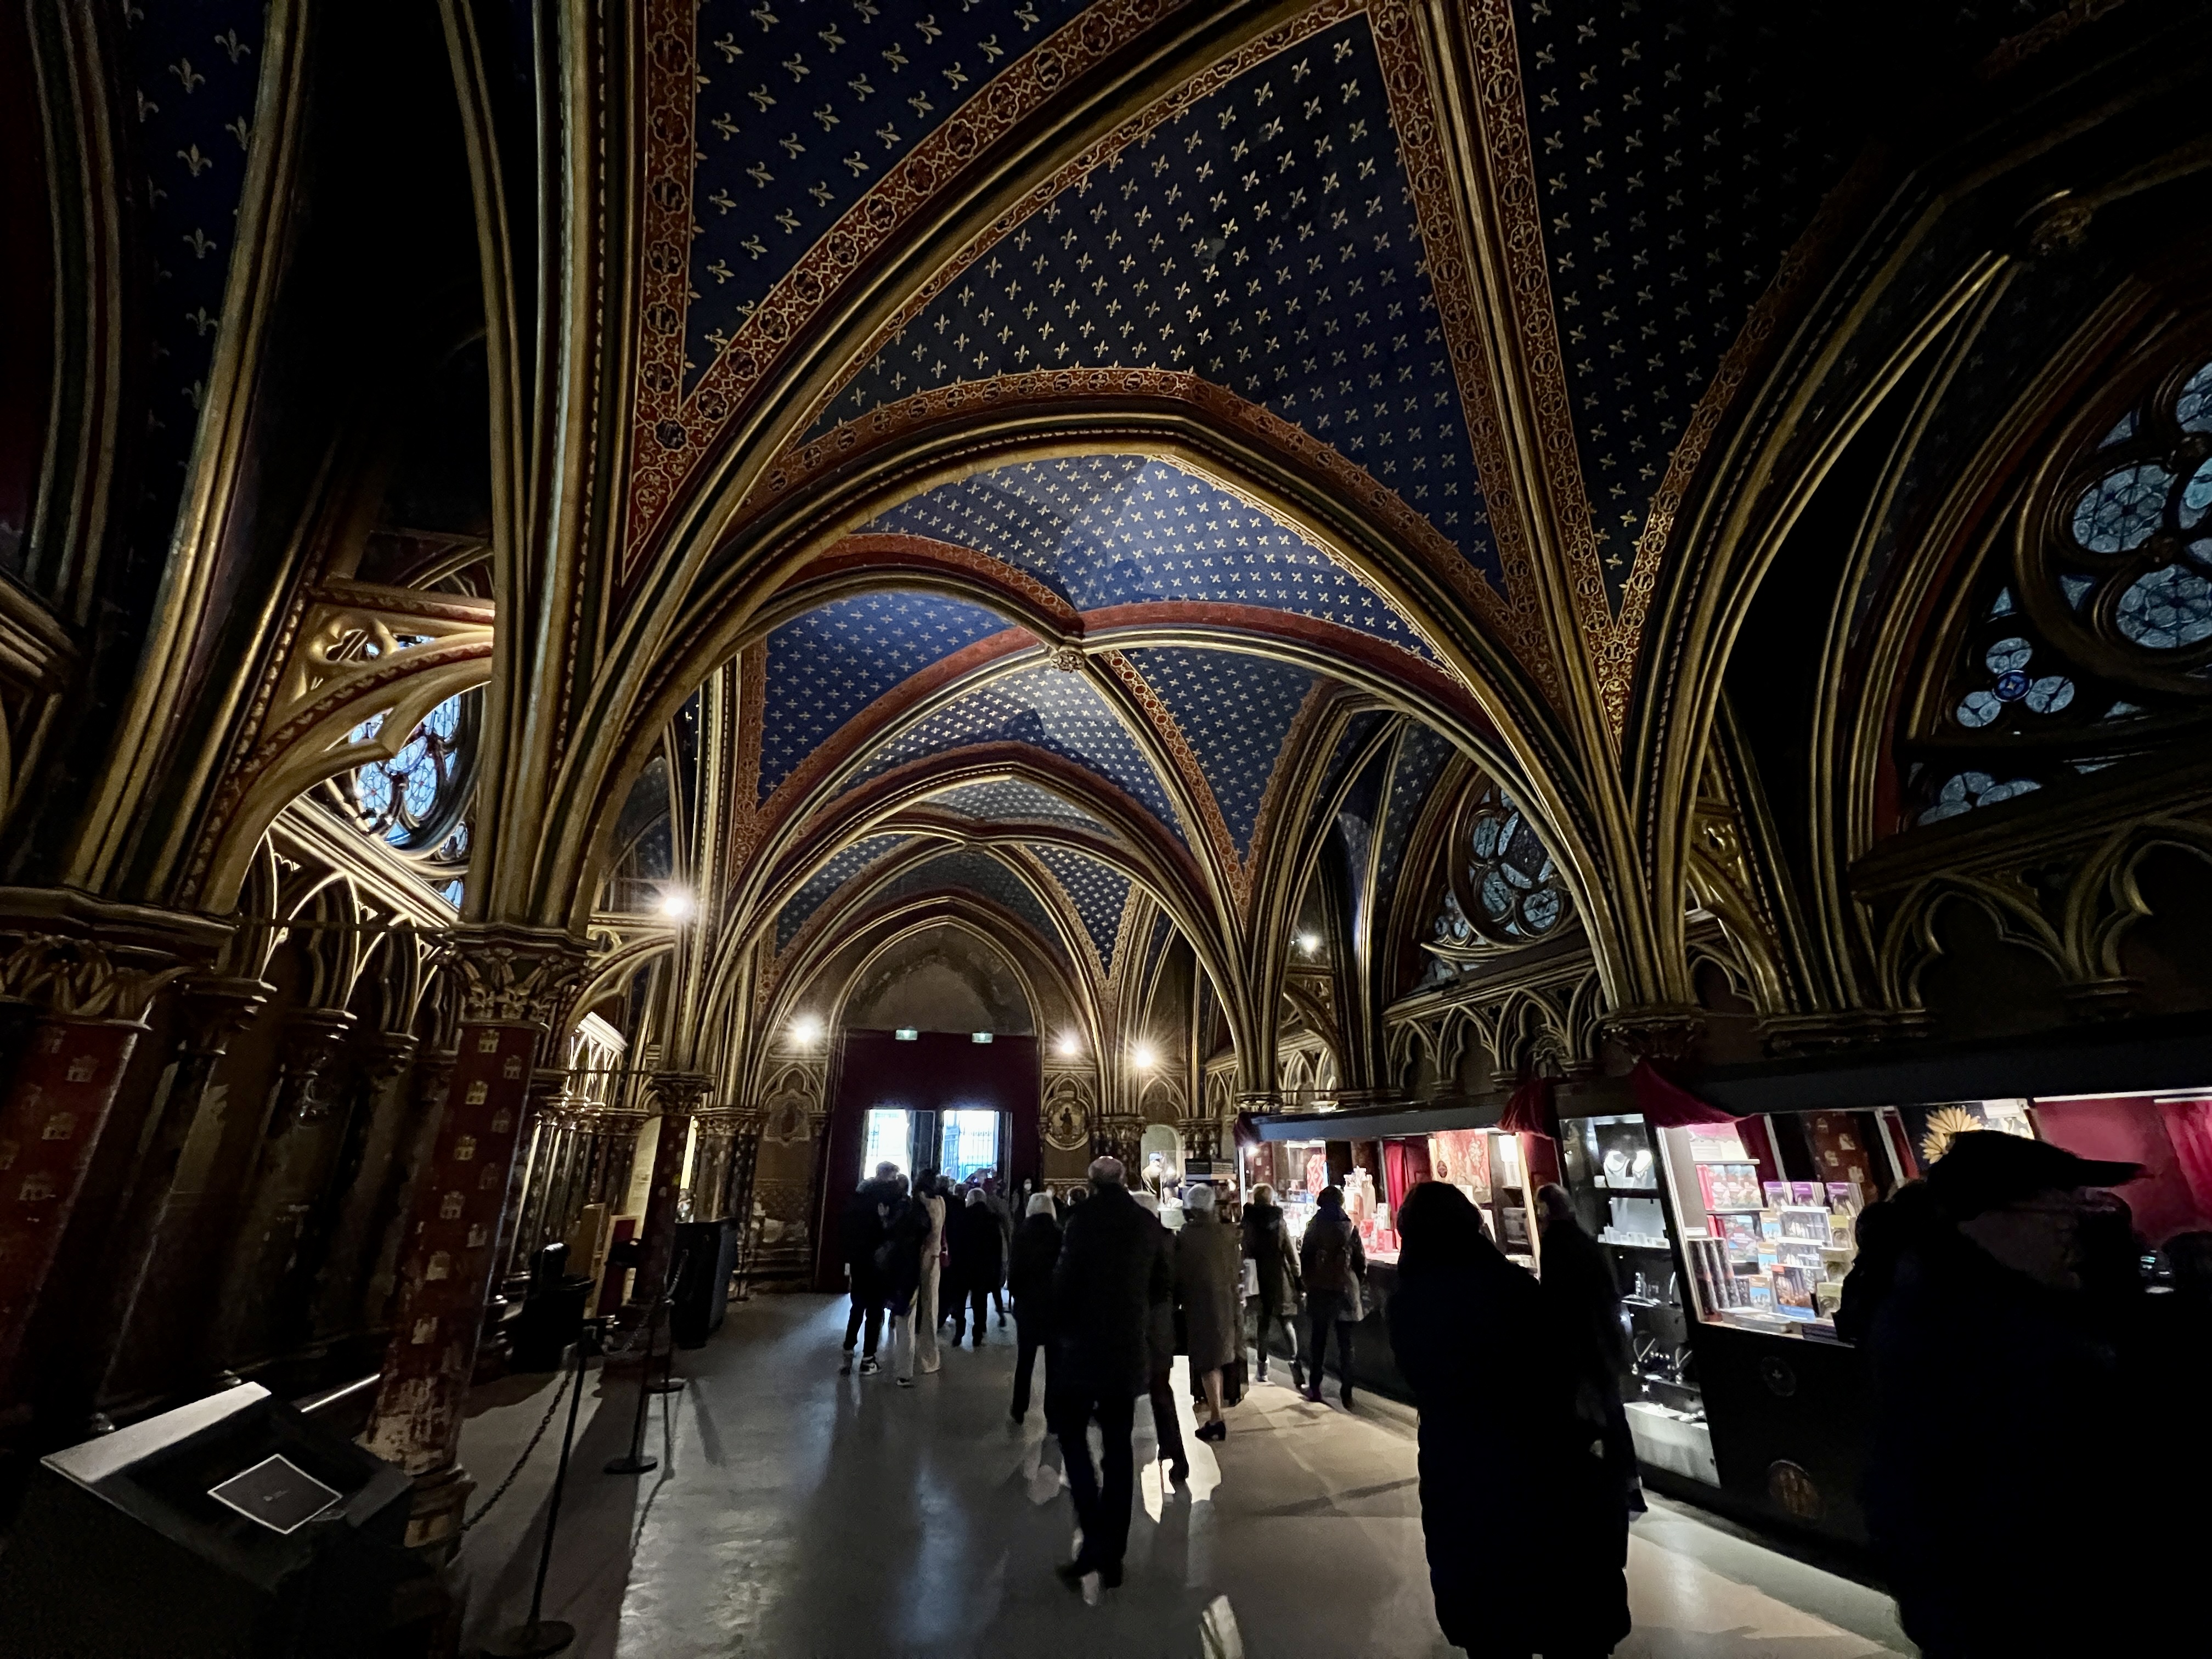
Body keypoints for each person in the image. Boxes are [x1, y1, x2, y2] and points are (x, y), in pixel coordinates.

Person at [1854, 1130, 2160, 1659]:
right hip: (2030, 1618)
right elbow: (1916, 1497)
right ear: (1983, 1218)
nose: (2070, 1227)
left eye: (2076, 1209)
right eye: (2053, 1211)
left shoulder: (2040, 1309)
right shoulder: (1949, 1334)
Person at [1389, 1181, 1630, 1658]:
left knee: (1488, 1614)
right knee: (1556, 1593)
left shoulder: (1408, 1302)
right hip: (1538, 1460)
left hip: (1458, 1467)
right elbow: (1556, 1370)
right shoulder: (1512, 1287)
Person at [1049, 1155, 1171, 1592]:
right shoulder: (1146, 1223)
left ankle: (1094, 1533)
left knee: (1071, 1436)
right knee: (1119, 1451)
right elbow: (1162, 1286)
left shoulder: (1081, 1220)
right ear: (1125, 1179)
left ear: (1091, 1182)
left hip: (1084, 1347)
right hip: (1127, 1349)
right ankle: (1113, 1554)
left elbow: (1065, 1283)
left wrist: (1061, 1329)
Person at [1536, 1183, 1640, 1512]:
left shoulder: (1555, 1244)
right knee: (1612, 1411)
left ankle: (1596, 1484)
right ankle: (1629, 1482)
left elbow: (1557, 1300)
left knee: (1583, 1415)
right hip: (1603, 1340)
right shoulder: (1584, 1239)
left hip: (1577, 1344)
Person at [1174, 1182, 1243, 1443]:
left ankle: (1216, 1417)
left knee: (1208, 1362)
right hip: (1228, 1302)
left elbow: (1179, 1274)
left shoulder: (1187, 1237)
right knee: (1225, 1355)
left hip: (1200, 1305)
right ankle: (1219, 1411)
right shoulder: (1227, 1234)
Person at [1131, 1190, 1189, 1482]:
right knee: (1161, 1390)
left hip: (1137, 1321)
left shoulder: (1129, 1242)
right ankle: (1176, 1452)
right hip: (1163, 1322)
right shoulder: (1169, 1239)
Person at [1298, 1185, 1365, 1407]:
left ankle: (1315, 1388)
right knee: (1346, 1345)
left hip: (1320, 1290)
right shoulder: (1350, 1226)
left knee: (1318, 1341)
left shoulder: (1314, 1226)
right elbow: (1360, 1262)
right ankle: (1347, 1392)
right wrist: (1353, 1282)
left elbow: (1305, 1258)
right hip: (1345, 1290)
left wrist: (1309, 1282)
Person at [838, 1161, 899, 1375]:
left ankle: (848, 1349)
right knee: (875, 1311)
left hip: (858, 1260)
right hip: (878, 1261)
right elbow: (890, 1232)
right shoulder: (889, 1198)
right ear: (888, 1176)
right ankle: (869, 1359)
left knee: (857, 1307)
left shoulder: (858, 1196)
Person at [1242, 1183, 1304, 1389]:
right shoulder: (1279, 1222)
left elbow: (1244, 1251)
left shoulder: (1248, 1222)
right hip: (1279, 1277)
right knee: (1287, 1324)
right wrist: (1298, 1278)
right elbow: (1290, 1252)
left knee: (1263, 1324)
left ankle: (1262, 1371)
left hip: (1257, 1277)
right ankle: (1296, 1369)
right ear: (1271, 1199)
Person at [1008, 1192, 1062, 1423]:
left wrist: (1017, 1296)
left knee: (1025, 1359)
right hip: (1054, 1305)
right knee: (1055, 1362)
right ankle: (1053, 1411)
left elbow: (1014, 1271)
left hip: (1028, 1305)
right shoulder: (1060, 1233)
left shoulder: (1022, 1234)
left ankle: (1019, 1407)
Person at [878, 1175, 933, 1388]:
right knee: (907, 1323)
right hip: (909, 1271)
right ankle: (904, 1373)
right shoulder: (917, 1214)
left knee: (896, 1317)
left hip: (891, 1270)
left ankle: (874, 1359)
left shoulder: (891, 1214)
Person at [949, 1187, 1005, 1347]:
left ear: (971, 1200)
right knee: (980, 1302)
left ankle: (959, 1333)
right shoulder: (992, 1219)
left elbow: (955, 1242)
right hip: (984, 1267)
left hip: (964, 1265)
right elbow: (998, 1247)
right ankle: (978, 1334)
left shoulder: (963, 1217)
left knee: (960, 1300)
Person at [915, 1169, 946, 1374]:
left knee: (913, 1308)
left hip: (921, 1255)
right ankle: (930, 1357)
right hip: (934, 1256)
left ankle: (911, 1355)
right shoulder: (940, 1202)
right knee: (930, 1306)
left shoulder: (922, 1202)